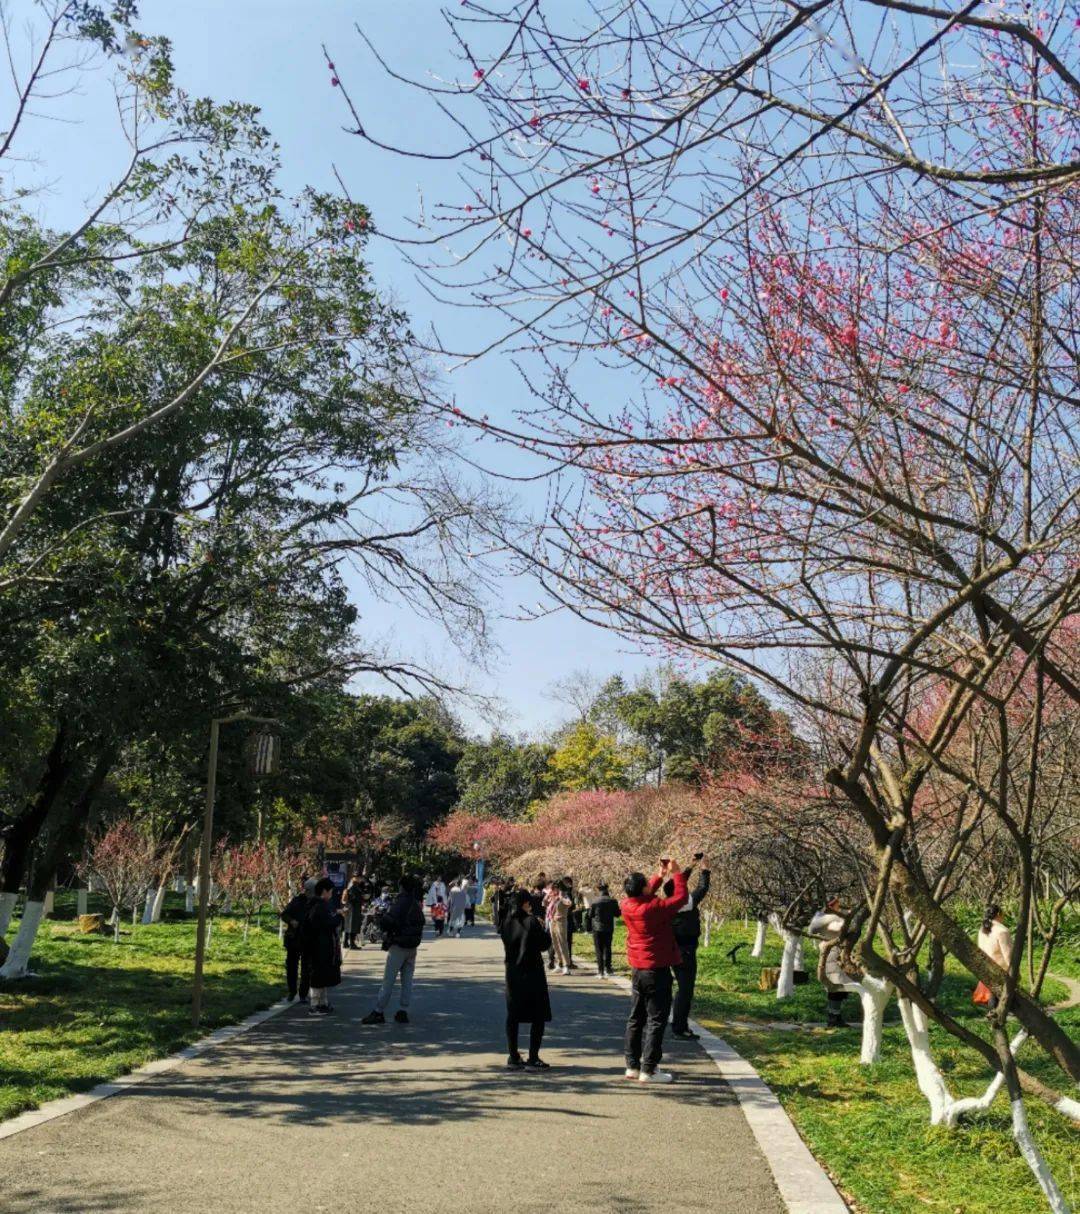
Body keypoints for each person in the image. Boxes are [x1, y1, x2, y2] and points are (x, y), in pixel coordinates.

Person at [620, 858, 688, 1083]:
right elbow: (680, 898)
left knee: (636, 1018)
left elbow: (644, 895)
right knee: (657, 1020)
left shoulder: (626, 905)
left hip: (638, 969)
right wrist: (676, 874)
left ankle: (632, 1065)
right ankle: (649, 1069)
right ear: (643, 888)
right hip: (657, 969)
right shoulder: (655, 908)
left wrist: (659, 876)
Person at [362, 876, 426, 1026]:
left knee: (389, 979)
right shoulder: (416, 903)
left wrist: (382, 921)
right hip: (412, 947)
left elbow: (388, 921)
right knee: (407, 980)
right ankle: (403, 1011)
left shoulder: (401, 902)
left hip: (398, 946)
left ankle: (378, 1011)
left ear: (402, 886)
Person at [501, 889, 553, 1070]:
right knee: (538, 1016)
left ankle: (513, 1055)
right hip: (533, 973)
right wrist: (542, 926)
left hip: (512, 973)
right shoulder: (531, 921)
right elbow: (545, 944)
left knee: (512, 1016)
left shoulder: (506, 922)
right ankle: (533, 1057)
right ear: (525, 903)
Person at [670, 856, 711, 1039]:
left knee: (680, 988)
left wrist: (690, 866)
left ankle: (678, 1023)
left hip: (671, 949)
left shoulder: (667, 904)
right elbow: (702, 888)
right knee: (686, 990)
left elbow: (679, 885)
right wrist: (704, 870)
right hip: (685, 952)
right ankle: (680, 1026)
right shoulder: (685, 904)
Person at [808, 896, 853, 1028]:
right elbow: (840, 929)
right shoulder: (829, 918)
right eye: (837, 904)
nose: (839, 906)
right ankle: (833, 1018)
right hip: (832, 956)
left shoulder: (824, 918)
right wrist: (846, 918)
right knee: (835, 988)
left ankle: (835, 1016)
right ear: (831, 905)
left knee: (837, 988)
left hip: (835, 955)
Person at [303, 878, 344, 1015]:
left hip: (322, 946)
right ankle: (314, 1005)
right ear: (325, 891)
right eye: (331, 891)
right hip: (319, 947)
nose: (332, 894)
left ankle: (323, 1003)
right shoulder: (319, 906)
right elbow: (328, 924)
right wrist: (339, 916)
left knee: (323, 976)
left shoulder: (318, 904)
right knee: (318, 977)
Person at [280, 877, 315, 1002]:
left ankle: (303, 994)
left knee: (307, 969)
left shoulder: (316, 903)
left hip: (308, 940)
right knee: (291, 966)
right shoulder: (297, 901)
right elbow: (284, 914)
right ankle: (292, 991)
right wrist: (291, 921)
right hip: (294, 939)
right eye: (310, 891)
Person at [977, 904, 1013, 1012]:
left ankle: (993, 1019)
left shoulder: (982, 929)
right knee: (1001, 999)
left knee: (993, 997)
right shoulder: (1002, 931)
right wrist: (1014, 972)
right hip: (1001, 970)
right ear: (998, 914)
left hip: (986, 967)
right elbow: (1008, 955)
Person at [586, 882, 621, 977]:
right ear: (607, 890)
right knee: (608, 947)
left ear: (598, 890)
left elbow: (590, 915)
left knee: (599, 949)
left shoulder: (595, 901)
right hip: (609, 927)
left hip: (597, 928)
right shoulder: (613, 901)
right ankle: (608, 969)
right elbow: (618, 914)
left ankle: (600, 971)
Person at [545, 880, 573, 974]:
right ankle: (559, 963)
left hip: (561, 921)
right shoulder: (552, 897)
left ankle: (566, 966)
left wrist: (561, 897)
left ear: (559, 888)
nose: (553, 890)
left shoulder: (563, 896)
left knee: (562, 943)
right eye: (552, 889)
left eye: (554, 888)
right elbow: (544, 904)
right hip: (552, 921)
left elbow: (569, 903)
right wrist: (547, 895)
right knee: (555, 943)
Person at [342, 873, 366, 949]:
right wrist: (361, 899)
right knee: (352, 926)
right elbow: (353, 898)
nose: (360, 879)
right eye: (359, 878)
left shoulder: (351, 885)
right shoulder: (353, 886)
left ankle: (346, 942)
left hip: (350, 908)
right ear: (355, 878)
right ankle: (352, 944)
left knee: (348, 926)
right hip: (353, 908)